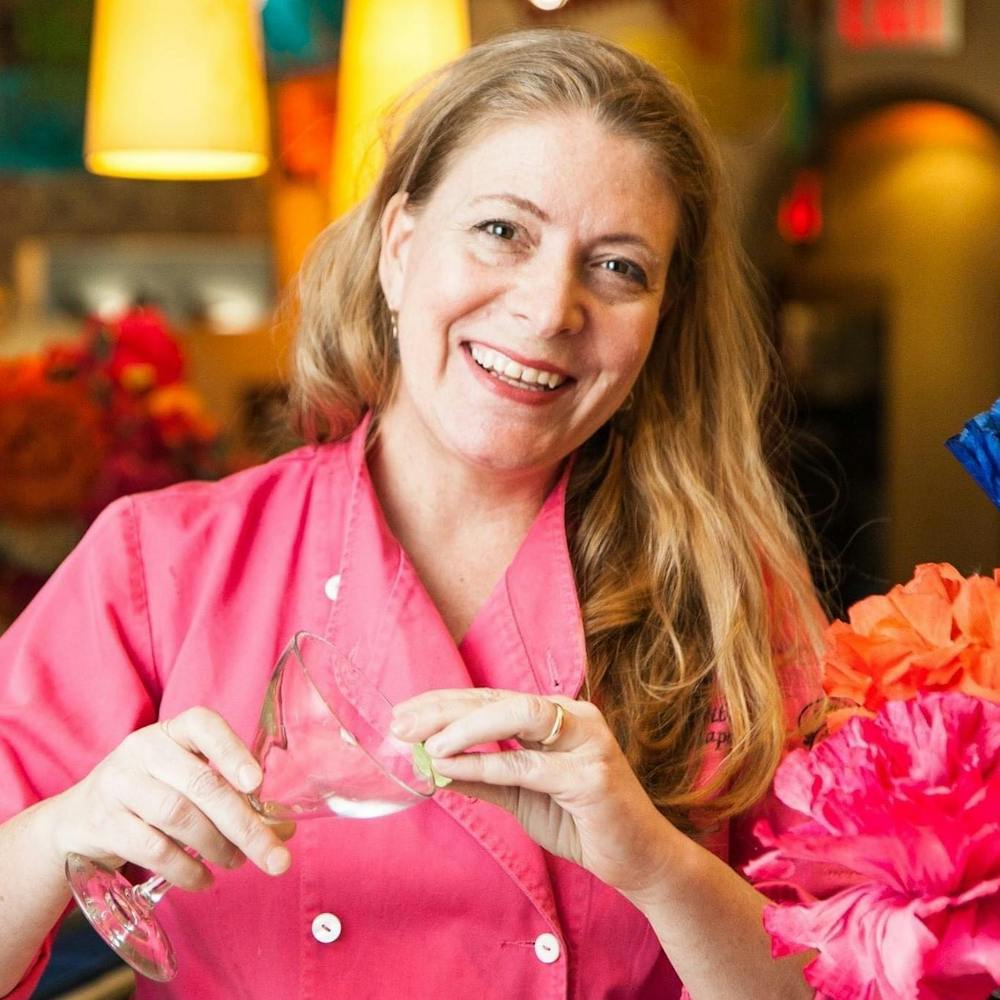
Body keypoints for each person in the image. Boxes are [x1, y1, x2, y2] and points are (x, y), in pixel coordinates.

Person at [0, 28, 827, 1000]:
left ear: (659, 324)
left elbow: (835, 981)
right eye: (502, 230)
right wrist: (65, 830)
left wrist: (652, 860)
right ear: (399, 247)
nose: (548, 307)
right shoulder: (161, 562)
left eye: (616, 268)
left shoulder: (735, 603)